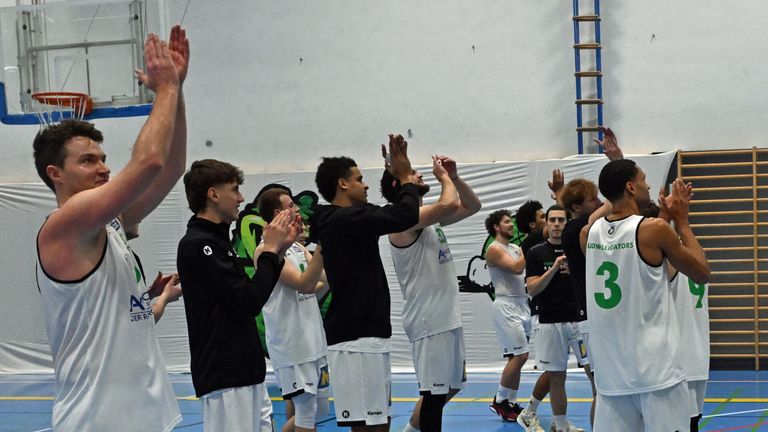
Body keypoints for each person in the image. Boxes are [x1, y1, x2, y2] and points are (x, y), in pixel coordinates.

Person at [33, 26, 188, 431]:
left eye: (103, 157)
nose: (103, 167)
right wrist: (165, 90)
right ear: (55, 174)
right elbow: (149, 162)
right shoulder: (63, 226)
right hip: (99, 421)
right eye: (87, 161)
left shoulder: (112, 225)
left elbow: (170, 168)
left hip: (147, 416)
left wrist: (178, 93)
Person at [580, 161, 710, 431]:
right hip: (657, 375)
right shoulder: (654, 230)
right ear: (630, 187)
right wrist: (682, 221)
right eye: (643, 179)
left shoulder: (588, 234)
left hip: (611, 376)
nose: (648, 185)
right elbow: (701, 272)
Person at [177, 159, 300, 431]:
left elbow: (252, 294)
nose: (241, 198)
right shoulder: (199, 244)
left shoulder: (218, 240)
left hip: (245, 370)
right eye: (234, 189)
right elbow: (248, 302)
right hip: (225, 375)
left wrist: (279, 251)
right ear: (213, 194)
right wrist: (269, 250)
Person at [309, 134, 419, 431]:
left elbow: (389, 214)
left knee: (374, 423)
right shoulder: (344, 220)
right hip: (356, 339)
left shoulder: (348, 220)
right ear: (342, 184)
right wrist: (405, 175)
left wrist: (395, 176)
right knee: (373, 426)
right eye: (359, 179)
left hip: (364, 336)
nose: (366, 184)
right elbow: (405, 214)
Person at [382, 155, 481, 432]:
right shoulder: (403, 221)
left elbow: (473, 206)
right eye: (412, 173)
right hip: (429, 320)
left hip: (446, 318)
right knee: (434, 396)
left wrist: (456, 177)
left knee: (449, 388)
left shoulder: (429, 220)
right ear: (400, 184)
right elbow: (448, 203)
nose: (419, 174)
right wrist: (443, 179)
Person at [255, 187, 329, 432]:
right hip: (292, 344)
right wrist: (321, 247)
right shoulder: (265, 250)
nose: (297, 210)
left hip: (312, 340)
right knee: (306, 413)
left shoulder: (297, 248)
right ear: (278, 213)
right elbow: (304, 283)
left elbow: (323, 279)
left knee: (316, 410)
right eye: (291, 206)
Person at [641, 198, 710, 432]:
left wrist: (668, 216)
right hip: (698, 353)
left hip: (678, 359)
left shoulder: (668, 259)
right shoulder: (695, 252)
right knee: (691, 422)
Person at [524, 205, 585, 432]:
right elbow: (532, 288)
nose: (557, 224)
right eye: (553, 220)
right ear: (546, 224)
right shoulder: (536, 252)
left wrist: (575, 272)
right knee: (557, 377)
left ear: (567, 223)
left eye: (561, 220)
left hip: (578, 320)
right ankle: (560, 426)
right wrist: (554, 269)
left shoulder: (577, 250)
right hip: (549, 321)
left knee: (593, 372)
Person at [483, 210, 529, 423]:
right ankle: (500, 399)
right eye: (507, 222)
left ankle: (510, 401)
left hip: (521, 304)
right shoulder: (493, 249)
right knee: (521, 356)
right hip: (506, 305)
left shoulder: (515, 247)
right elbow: (517, 268)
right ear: (496, 227)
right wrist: (531, 245)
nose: (512, 225)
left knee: (516, 358)